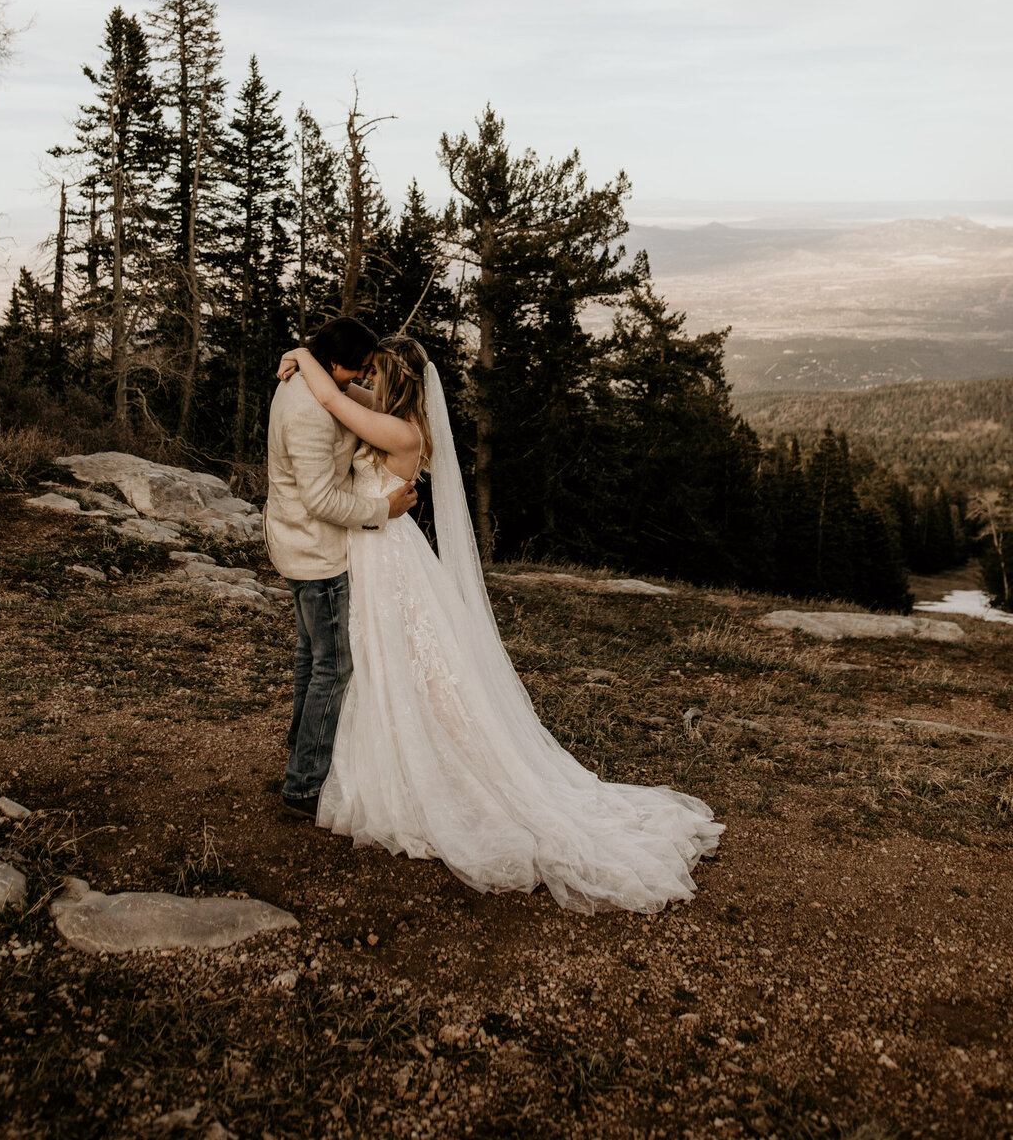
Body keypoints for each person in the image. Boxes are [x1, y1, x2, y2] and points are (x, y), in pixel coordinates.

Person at [275, 334, 723, 913]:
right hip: (371, 551)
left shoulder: (402, 432)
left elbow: (337, 402)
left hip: (386, 553)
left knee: (400, 665)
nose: (364, 380)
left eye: (374, 374)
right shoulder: (388, 412)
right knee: (367, 661)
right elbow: (348, 392)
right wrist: (311, 361)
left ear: (394, 383)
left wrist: (305, 356)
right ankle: (319, 764)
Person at [264, 316, 417, 820]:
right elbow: (320, 499)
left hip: (309, 546)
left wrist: (301, 355)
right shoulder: (308, 406)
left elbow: (355, 405)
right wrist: (384, 511)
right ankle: (305, 784)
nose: (362, 380)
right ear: (334, 364)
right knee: (333, 666)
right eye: (356, 371)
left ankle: (299, 763)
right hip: (316, 551)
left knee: (312, 659)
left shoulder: (315, 383)